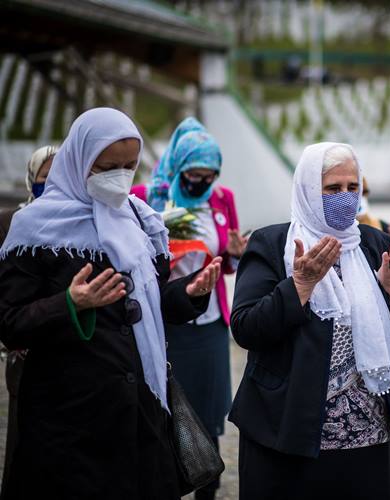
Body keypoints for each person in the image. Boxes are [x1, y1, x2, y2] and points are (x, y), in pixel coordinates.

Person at [0, 108, 222, 499]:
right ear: (79, 160)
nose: (119, 176)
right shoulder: (34, 230)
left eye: (129, 166)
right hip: (69, 423)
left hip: (141, 414)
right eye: (106, 167)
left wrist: (189, 294)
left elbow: (150, 306)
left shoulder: (140, 221)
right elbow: (9, 321)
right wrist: (69, 303)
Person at [229, 142, 390, 499]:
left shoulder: (373, 243)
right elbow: (246, 327)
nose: (346, 197)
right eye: (333, 189)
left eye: (352, 188)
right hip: (291, 431)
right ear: (307, 189)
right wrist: (300, 286)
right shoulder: (273, 245)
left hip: (368, 434)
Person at [130, 117, 247, 500]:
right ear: (180, 168)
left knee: (209, 414)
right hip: (164, 322)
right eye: (195, 174)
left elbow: (227, 263)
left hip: (210, 323)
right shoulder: (147, 196)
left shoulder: (222, 199)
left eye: (209, 176)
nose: (202, 182)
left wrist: (233, 255)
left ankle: (207, 488)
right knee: (164, 408)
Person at [0, 144, 57, 487]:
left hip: (61, 344)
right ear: (31, 179)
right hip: (22, 347)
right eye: (44, 179)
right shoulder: (10, 221)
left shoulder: (75, 224)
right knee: (23, 435)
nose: (49, 186)